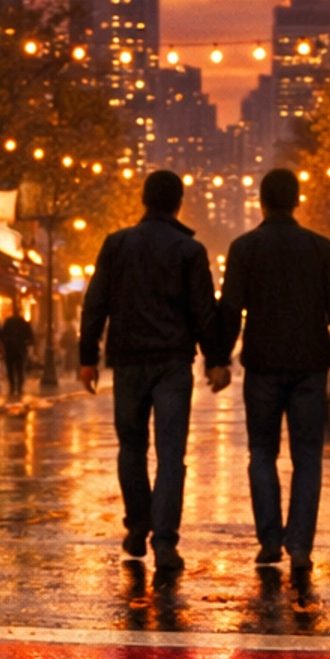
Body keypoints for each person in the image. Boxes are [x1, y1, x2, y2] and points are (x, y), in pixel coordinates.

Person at [78, 168, 227, 576]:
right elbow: (203, 312)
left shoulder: (116, 244)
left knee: (131, 448)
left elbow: (95, 303)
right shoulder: (189, 251)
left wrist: (87, 356)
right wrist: (216, 359)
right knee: (170, 454)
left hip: (127, 362)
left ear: (144, 200)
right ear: (178, 203)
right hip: (173, 363)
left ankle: (136, 526)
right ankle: (164, 542)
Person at [218, 166, 330, 578]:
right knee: (307, 457)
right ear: (298, 201)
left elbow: (230, 310)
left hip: (262, 365)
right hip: (310, 367)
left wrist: (218, 358)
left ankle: (269, 540)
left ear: (261, 203)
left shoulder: (244, 248)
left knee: (261, 452)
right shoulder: (320, 248)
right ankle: (299, 544)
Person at [1, 308, 33, 398]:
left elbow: (2, 334)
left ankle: (12, 387)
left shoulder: (8, 322)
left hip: (10, 349)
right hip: (20, 349)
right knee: (20, 369)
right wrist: (26, 343)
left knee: (10, 369)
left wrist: (6, 342)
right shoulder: (23, 323)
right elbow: (30, 336)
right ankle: (19, 387)